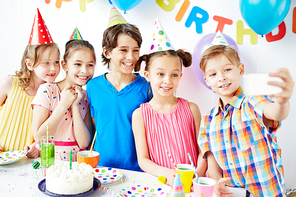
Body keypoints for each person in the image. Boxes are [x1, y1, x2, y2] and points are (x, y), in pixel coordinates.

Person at [198, 44, 294, 196]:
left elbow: (275, 112)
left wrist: (282, 102)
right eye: (213, 74)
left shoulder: (253, 102)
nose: (221, 77)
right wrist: (217, 184)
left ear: (240, 69)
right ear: (207, 81)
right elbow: (213, 165)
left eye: (227, 70)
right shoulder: (208, 120)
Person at [132, 49, 207, 186]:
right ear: (147, 75)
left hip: (192, 185)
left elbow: (203, 151)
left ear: (180, 76)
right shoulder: (140, 115)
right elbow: (143, 160)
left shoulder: (192, 109)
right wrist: (168, 174)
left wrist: (197, 175)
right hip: (160, 184)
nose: (167, 80)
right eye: (160, 74)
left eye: (174, 75)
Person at [86, 23, 151, 171]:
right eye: (123, 50)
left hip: (137, 170)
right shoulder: (92, 86)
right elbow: (95, 127)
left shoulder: (147, 88)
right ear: (107, 52)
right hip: (99, 167)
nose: (131, 57)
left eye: (136, 50)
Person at [31, 40, 96, 161]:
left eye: (90, 65)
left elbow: (84, 143)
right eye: (77, 64)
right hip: (51, 160)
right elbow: (39, 138)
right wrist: (63, 104)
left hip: (78, 162)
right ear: (64, 65)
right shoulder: (47, 91)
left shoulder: (86, 96)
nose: (85, 70)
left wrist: (75, 106)